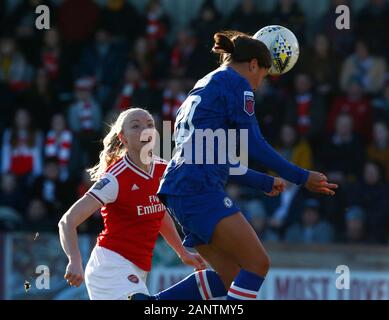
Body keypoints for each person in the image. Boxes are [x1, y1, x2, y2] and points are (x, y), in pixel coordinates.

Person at [132, 31, 337, 301]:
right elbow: (255, 143)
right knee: (258, 264)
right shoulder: (236, 83)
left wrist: (262, 181)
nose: (259, 84)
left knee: (230, 276)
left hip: (178, 190)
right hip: (199, 187)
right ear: (253, 64)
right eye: (262, 75)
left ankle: (152, 304)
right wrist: (301, 176)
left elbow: (212, 155)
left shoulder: (205, 84)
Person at [58, 108, 208, 300]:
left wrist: (181, 252)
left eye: (150, 125)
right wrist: (75, 261)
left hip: (136, 271)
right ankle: (202, 287)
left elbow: (159, 213)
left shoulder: (164, 169)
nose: (145, 130)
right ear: (123, 138)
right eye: (136, 126)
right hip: (109, 268)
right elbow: (67, 221)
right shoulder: (114, 179)